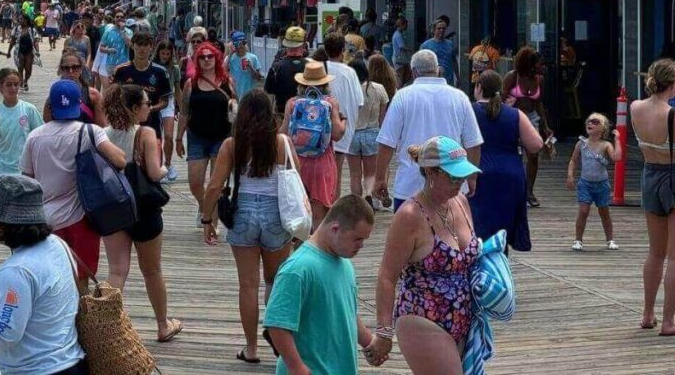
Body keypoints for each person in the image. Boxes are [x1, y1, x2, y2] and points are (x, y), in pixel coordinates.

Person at [371, 136, 483, 374]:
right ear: (431, 173)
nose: (460, 182)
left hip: (463, 316)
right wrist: (383, 332)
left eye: (463, 175)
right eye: (453, 176)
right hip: (422, 316)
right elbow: (387, 276)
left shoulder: (461, 202)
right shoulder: (410, 215)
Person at [202, 89, 296, 364]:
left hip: (242, 212)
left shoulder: (232, 144)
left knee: (248, 285)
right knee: (275, 281)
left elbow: (214, 186)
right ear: (271, 113)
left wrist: (208, 220)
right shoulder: (281, 142)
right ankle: (278, 336)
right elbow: (296, 178)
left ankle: (252, 348)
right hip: (275, 213)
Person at [0, 175, 88, 375]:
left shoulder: (15, 272)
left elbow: (3, 335)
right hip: (72, 362)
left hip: (36, 370)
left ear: (5, 223)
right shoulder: (56, 243)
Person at [101, 84, 183, 343]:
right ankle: (162, 325)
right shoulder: (146, 133)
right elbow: (153, 171)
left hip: (114, 208)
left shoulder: (103, 134)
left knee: (116, 271)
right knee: (152, 271)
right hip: (143, 208)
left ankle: (104, 327)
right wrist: (166, 172)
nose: (150, 107)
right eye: (147, 103)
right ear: (135, 108)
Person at [264, 195, 378, 374]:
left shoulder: (344, 263)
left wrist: (369, 342)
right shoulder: (298, 269)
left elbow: (347, 312)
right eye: (357, 239)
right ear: (335, 228)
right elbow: (277, 324)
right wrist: (296, 367)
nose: (361, 245)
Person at [22, 79, 126, 274]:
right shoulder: (89, 132)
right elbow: (120, 160)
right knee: (82, 278)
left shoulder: (34, 137)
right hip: (81, 218)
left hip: (46, 220)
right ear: (79, 104)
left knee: (50, 277)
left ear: (51, 106)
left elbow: (26, 179)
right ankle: (80, 305)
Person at [375, 50, 483, 211]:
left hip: (410, 186)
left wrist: (379, 178)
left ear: (413, 72)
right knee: (451, 235)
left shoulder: (403, 97)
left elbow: (386, 143)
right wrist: (471, 177)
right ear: (438, 69)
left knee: (407, 235)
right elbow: (473, 144)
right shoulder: (459, 97)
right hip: (453, 186)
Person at [631, 59, 675, 334]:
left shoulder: (635, 108)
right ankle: (668, 322)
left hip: (649, 175)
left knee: (655, 252)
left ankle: (647, 314)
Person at [469, 70, 542, 252]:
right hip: (510, 175)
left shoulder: (469, 111)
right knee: (502, 232)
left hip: (478, 174)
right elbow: (536, 145)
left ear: (478, 87)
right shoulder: (514, 114)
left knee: (477, 230)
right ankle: (500, 268)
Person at [280, 60, 346, 230]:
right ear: (325, 83)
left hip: (297, 162)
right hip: (322, 164)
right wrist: (344, 122)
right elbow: (337, 135)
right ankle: (315, 249)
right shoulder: (331, 103)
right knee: (319, 214)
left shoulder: (293, 103)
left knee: (298, 210)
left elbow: (283, 133)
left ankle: (299, 248)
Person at [178, 41, 237, 226]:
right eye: (202, 57)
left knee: (216, 184)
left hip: (222, 137)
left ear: (216, 58)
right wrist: (178, 138)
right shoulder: (191, 84)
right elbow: (185, 112)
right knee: (195, 183)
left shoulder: (228, 81)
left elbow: (236, 108)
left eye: (209, 56)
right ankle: (205, 207)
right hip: (197, 136)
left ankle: (211, 222)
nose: (206, 60)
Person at [503, 46, 553, 207]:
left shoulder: (539, 80)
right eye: (540, 64)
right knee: (514, 156)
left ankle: (529, 192)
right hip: (513, 117)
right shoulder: (512, 77)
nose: (543, 66)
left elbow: (539, 103)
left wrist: (545, 126)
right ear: (530, 65)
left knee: (533, 155)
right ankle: (514, 191)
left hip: (531, 118)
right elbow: (501, 98)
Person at [343, 54, 393, 208]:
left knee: (354, 174)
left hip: (352, 134)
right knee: (370, 173)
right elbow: (382, 118)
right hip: (372, 133)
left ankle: (357, 205)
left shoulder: (347, 91)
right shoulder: (379, 89)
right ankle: (369, 195)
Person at [567, 112, 621, 251]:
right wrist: (570, 175)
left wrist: (618, 140)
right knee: (583, 211)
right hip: (585, 183)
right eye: (589, 121)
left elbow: (616, 158)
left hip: (601, 184)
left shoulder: (605, 145)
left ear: (602, 128)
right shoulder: (581, 143)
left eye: (595, 122)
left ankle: (610, 240)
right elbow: (573, 160)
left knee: (604, 212)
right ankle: (578, 240)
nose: (590, 124)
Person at [321, 32, 365, 198]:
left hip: (318, 129)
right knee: (336, 174)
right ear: (343, 49)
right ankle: (332, 207)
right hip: (341, 129)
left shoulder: (318, 68)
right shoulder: (350, 73)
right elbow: (359, 102)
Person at [0, 67, 43, 176]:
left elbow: (41, 136)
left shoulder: (29, 109)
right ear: (1, 87)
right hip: (2, 170)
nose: (13, 88)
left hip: (24, 170)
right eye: (9, 84)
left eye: (16, 84)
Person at [112, 32, 171, 140]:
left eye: (145, 45)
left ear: (151, 47)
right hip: (127, 125)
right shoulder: (121, 70)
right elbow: (113, 98)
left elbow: (164, 101)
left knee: (153, 155)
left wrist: (149, 108)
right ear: (132, 45)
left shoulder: (160, 72)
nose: (142, 49)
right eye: (139, 45)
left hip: (152, 124)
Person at [42, 49, 105, 126]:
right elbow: (48, 123)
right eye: (66, 68)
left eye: (75, 67)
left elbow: (101, 126)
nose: (71, 71)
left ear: (81, 69)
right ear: (61, 70)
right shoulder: (54, 95)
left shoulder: (93, 95)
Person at [264, 26, 309, 114]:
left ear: (286, 44)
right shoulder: (311, 67)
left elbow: (268, 91)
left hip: (282, 114)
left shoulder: (275, 67)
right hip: (306, 117)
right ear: (303, 45)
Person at [155, 40, 181, 182]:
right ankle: (158, 166)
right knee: (156, 137)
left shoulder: (174, 68)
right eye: (162, 53)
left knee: (169, 136)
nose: (165, 56)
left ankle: (168, 163)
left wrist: (182, 109)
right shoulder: (152, 65)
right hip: (154, 101)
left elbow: (177, 89)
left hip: (169, 101)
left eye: (167, 53)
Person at [226, 32, 264, 100]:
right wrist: (230, 53)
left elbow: (259, 78)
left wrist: (251, 67)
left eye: (243, 42)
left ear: (245, 43)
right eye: (238, 43)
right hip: (234, 95)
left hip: (249, 96)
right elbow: (222, 70)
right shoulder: (230, 58)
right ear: (234, 44)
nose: (240, 45)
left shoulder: (253, 58)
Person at [97, 11, 131, 84]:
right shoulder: (108, 31)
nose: (119, 18)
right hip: (111, 64)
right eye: (117, 16)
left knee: (124, 86)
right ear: (114, 19)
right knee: (113, 87)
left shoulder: (129, 31)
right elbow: (101, 48)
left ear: (124, 19)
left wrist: (122, 31)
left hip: (124, 63)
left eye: (121, 17)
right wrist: (109, 50)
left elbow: (130, 45)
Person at [420, 18, 457, 86]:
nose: (441, 30)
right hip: (432, 81)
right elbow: (420, 65)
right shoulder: (426, 45)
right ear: (433, 30)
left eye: (443, 28)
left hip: (448, 81)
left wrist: (458, 77)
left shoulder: (450, 44)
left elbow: (454, 61)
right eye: (439, 28)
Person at [391, 15, 412, 86]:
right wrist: (411, 51)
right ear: (402, 25)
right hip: (399, 59)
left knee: (402, 76)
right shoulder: (398, 35)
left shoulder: (397, 34)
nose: (407, 26)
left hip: (398, 58)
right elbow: (402, 47)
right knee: (400, 77)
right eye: (406, 25)